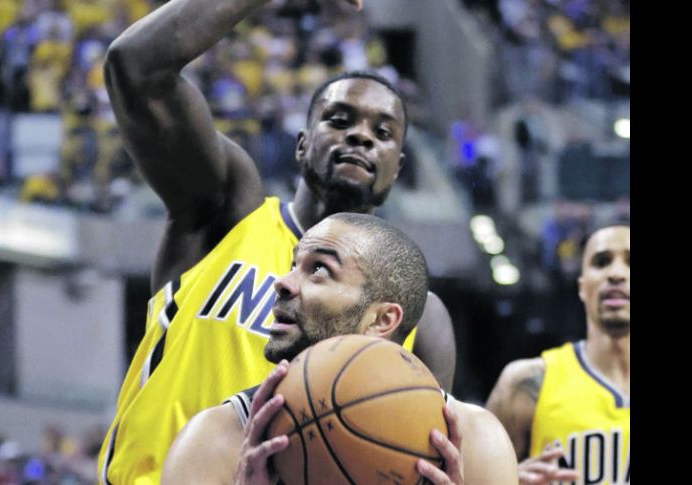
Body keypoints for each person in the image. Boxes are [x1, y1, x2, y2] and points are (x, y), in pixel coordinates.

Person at [98, 0, 456, 482]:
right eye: (339, 119)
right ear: (303, 143)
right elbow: (135, 67)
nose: (361, 136)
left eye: (383, 131)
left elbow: (415, 459)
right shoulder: (227, 209)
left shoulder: (419, 313)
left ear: (398, 168)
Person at [162, 213, 518, 485]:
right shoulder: (217, 438)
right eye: (292, 264)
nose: (282, 283)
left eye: (319, 269)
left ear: (381, 319)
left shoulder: (475, 442)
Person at [486, 224, 629, 484]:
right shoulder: (525, 382)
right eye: (602, 262)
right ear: (582, 287)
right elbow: (469, 476)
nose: (617, 273)